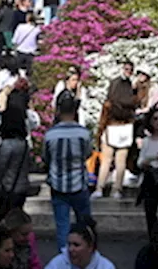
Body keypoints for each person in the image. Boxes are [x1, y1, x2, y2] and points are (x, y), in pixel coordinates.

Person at [43, 97, 93, 253]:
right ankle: (85, 254)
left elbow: (46, 157)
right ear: (75, 111)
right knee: (84, 224)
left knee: (62, 226)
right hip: (79, 182)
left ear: (58, 111)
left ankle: (65, 258)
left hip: (58, 183)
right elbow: (88, 154)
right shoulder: (84, 133)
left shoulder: (50, 134)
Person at [94, 61, 137, 199]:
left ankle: (106, 188)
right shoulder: (129, 88)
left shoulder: (120, 85)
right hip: (119, 125)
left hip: (118, 125)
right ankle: (112, 189)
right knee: (113, 160)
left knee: (116, 160)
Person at [0, 106, 33, 216]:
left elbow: (1, 167)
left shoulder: (7, 145)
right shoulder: (25, 144)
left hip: (7, 188)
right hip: (22, 187)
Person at [44, 221, 116, 269]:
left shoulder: (105, 267)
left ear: (90, 247)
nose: (70, 249)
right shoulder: (57, 264)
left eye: (76, 245)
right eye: (69, 244)